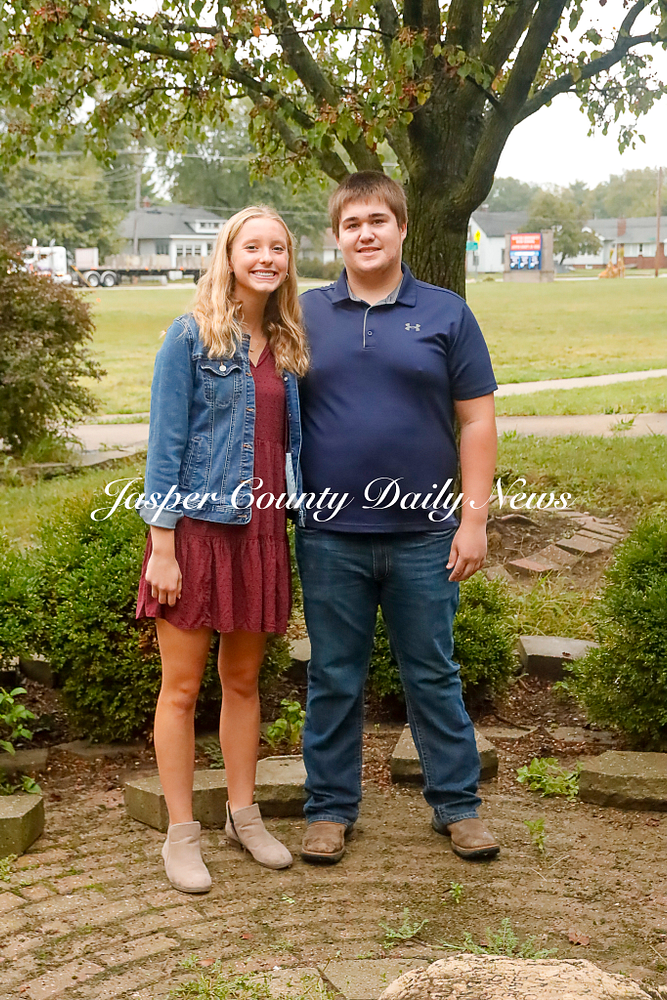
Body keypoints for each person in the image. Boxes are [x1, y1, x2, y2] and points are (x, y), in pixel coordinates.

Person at [296, 172, 500, 865]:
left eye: (377, 220)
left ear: (402, 227)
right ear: (336, 236)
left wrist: (472, 522)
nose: (365, 233)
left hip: (424, 536)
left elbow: (476, 421)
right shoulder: (304, 314)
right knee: (332, 676)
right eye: (352, 224)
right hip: (328, 535)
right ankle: (327, 809)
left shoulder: (445, 312)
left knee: (432, 673)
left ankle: (458, 808)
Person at [136, 206, 308, 893]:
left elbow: (286, 448)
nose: (266, 256)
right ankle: (182, 833)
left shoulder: (288, 346)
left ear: (287, 260)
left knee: (242, 684)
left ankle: (244, 815)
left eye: (278, 247)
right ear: (229, 254)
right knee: (179, 690)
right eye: (252, 246)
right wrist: (163, 548)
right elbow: (165, 448)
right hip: (197, 536)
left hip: (262, 535)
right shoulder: (190, 336)